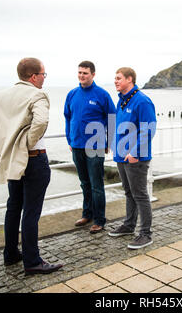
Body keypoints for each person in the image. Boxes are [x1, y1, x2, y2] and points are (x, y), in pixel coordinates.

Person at [0, 57, 63, 275]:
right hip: (33, 158)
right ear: (33, 76)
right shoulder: (37, 94)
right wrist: (26, 142)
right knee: (31, 211)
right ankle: (32, 262)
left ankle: (11, 254)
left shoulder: (1, 96)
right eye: (43, 74)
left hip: (13, 159)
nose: (44, 78)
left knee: (13, 207)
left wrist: (6, 137)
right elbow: (41, 122)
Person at [64, 61, 116, 234]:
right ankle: (87, 214)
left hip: (95, 146)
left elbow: (112, 119)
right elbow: (67, 117)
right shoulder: (72, 94)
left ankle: (100, 220)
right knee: (84, 183)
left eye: (85, 73)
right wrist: (69, 139)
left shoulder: (102, 95)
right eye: (79, 72)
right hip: (77, 145)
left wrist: (109, 142)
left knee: (96, 185)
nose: (81, 76)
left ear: (93, 74)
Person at [108, 67, 157, 249]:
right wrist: (114, 146)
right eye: (115, 78)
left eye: (119, 78)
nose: (115, 81)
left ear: (130, 79)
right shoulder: (121, 101)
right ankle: (129, 225)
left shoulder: (142, 101)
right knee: (129, 192)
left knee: (140, 195)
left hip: (136, 157)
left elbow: (149, 128)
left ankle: (145, 234)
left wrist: (135, 152)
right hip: (121, 155)